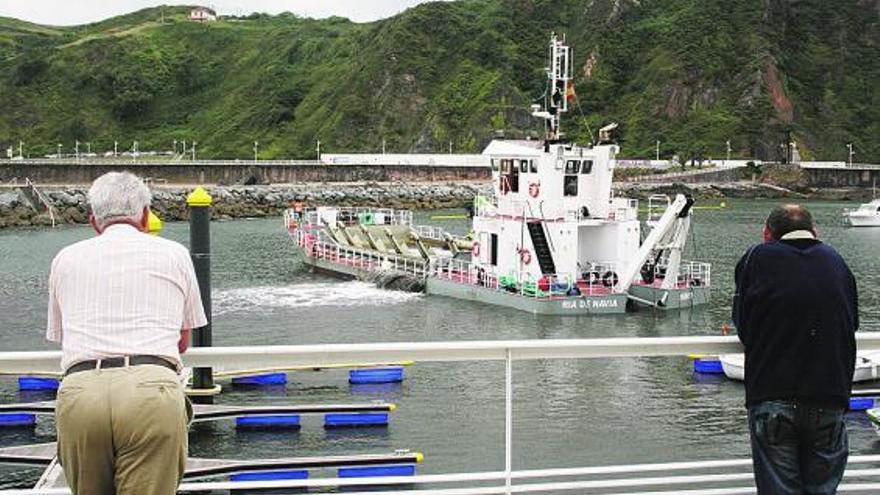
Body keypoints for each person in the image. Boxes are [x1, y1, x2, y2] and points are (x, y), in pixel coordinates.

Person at [47, 172, 207, 495]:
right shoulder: (174, 254)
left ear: (94, 221)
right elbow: (183, 340)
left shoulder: (64, 259)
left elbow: (64, 337)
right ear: (146, 216)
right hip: (150, 391)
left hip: (81, 392)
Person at [732, 204, 858, 494]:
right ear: (815, 232)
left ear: (767, 234)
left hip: (773, 395)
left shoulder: (756, 257)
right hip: (830, 395)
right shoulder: (836, 262)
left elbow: (744, 325)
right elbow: (849, 323)